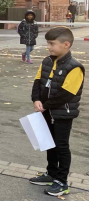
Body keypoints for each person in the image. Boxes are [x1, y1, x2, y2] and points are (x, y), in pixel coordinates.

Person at [28, 27, 84, 197]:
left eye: (52, 44)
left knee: (61, 146)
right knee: (48, 143)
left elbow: (66, 94)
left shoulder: (75, 67)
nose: (49, 47)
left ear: (66, 44)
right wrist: (36, 100)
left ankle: (62, 182)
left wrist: (45, 105)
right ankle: (51, 173)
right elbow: (38, 81)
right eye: (48, 43)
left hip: (62, 113)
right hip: (45, 109)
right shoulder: (47, 61)